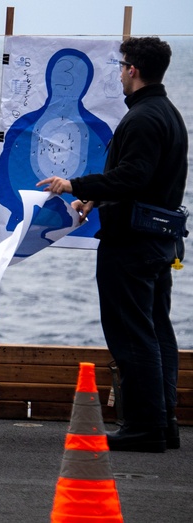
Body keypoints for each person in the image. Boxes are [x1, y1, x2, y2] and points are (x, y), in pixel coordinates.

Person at [38, 36, 187, 453]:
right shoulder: (168, 114)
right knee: (157, 331)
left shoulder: (141, 119)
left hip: (132, 245)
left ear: (133, 71)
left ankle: (143, 428)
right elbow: (149, 181)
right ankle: (164, 422)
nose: (119, 73)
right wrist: (94, 198)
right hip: (159, 241)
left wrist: (73, 184)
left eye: (121, 66)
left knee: (132, 334)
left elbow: (132, 178)